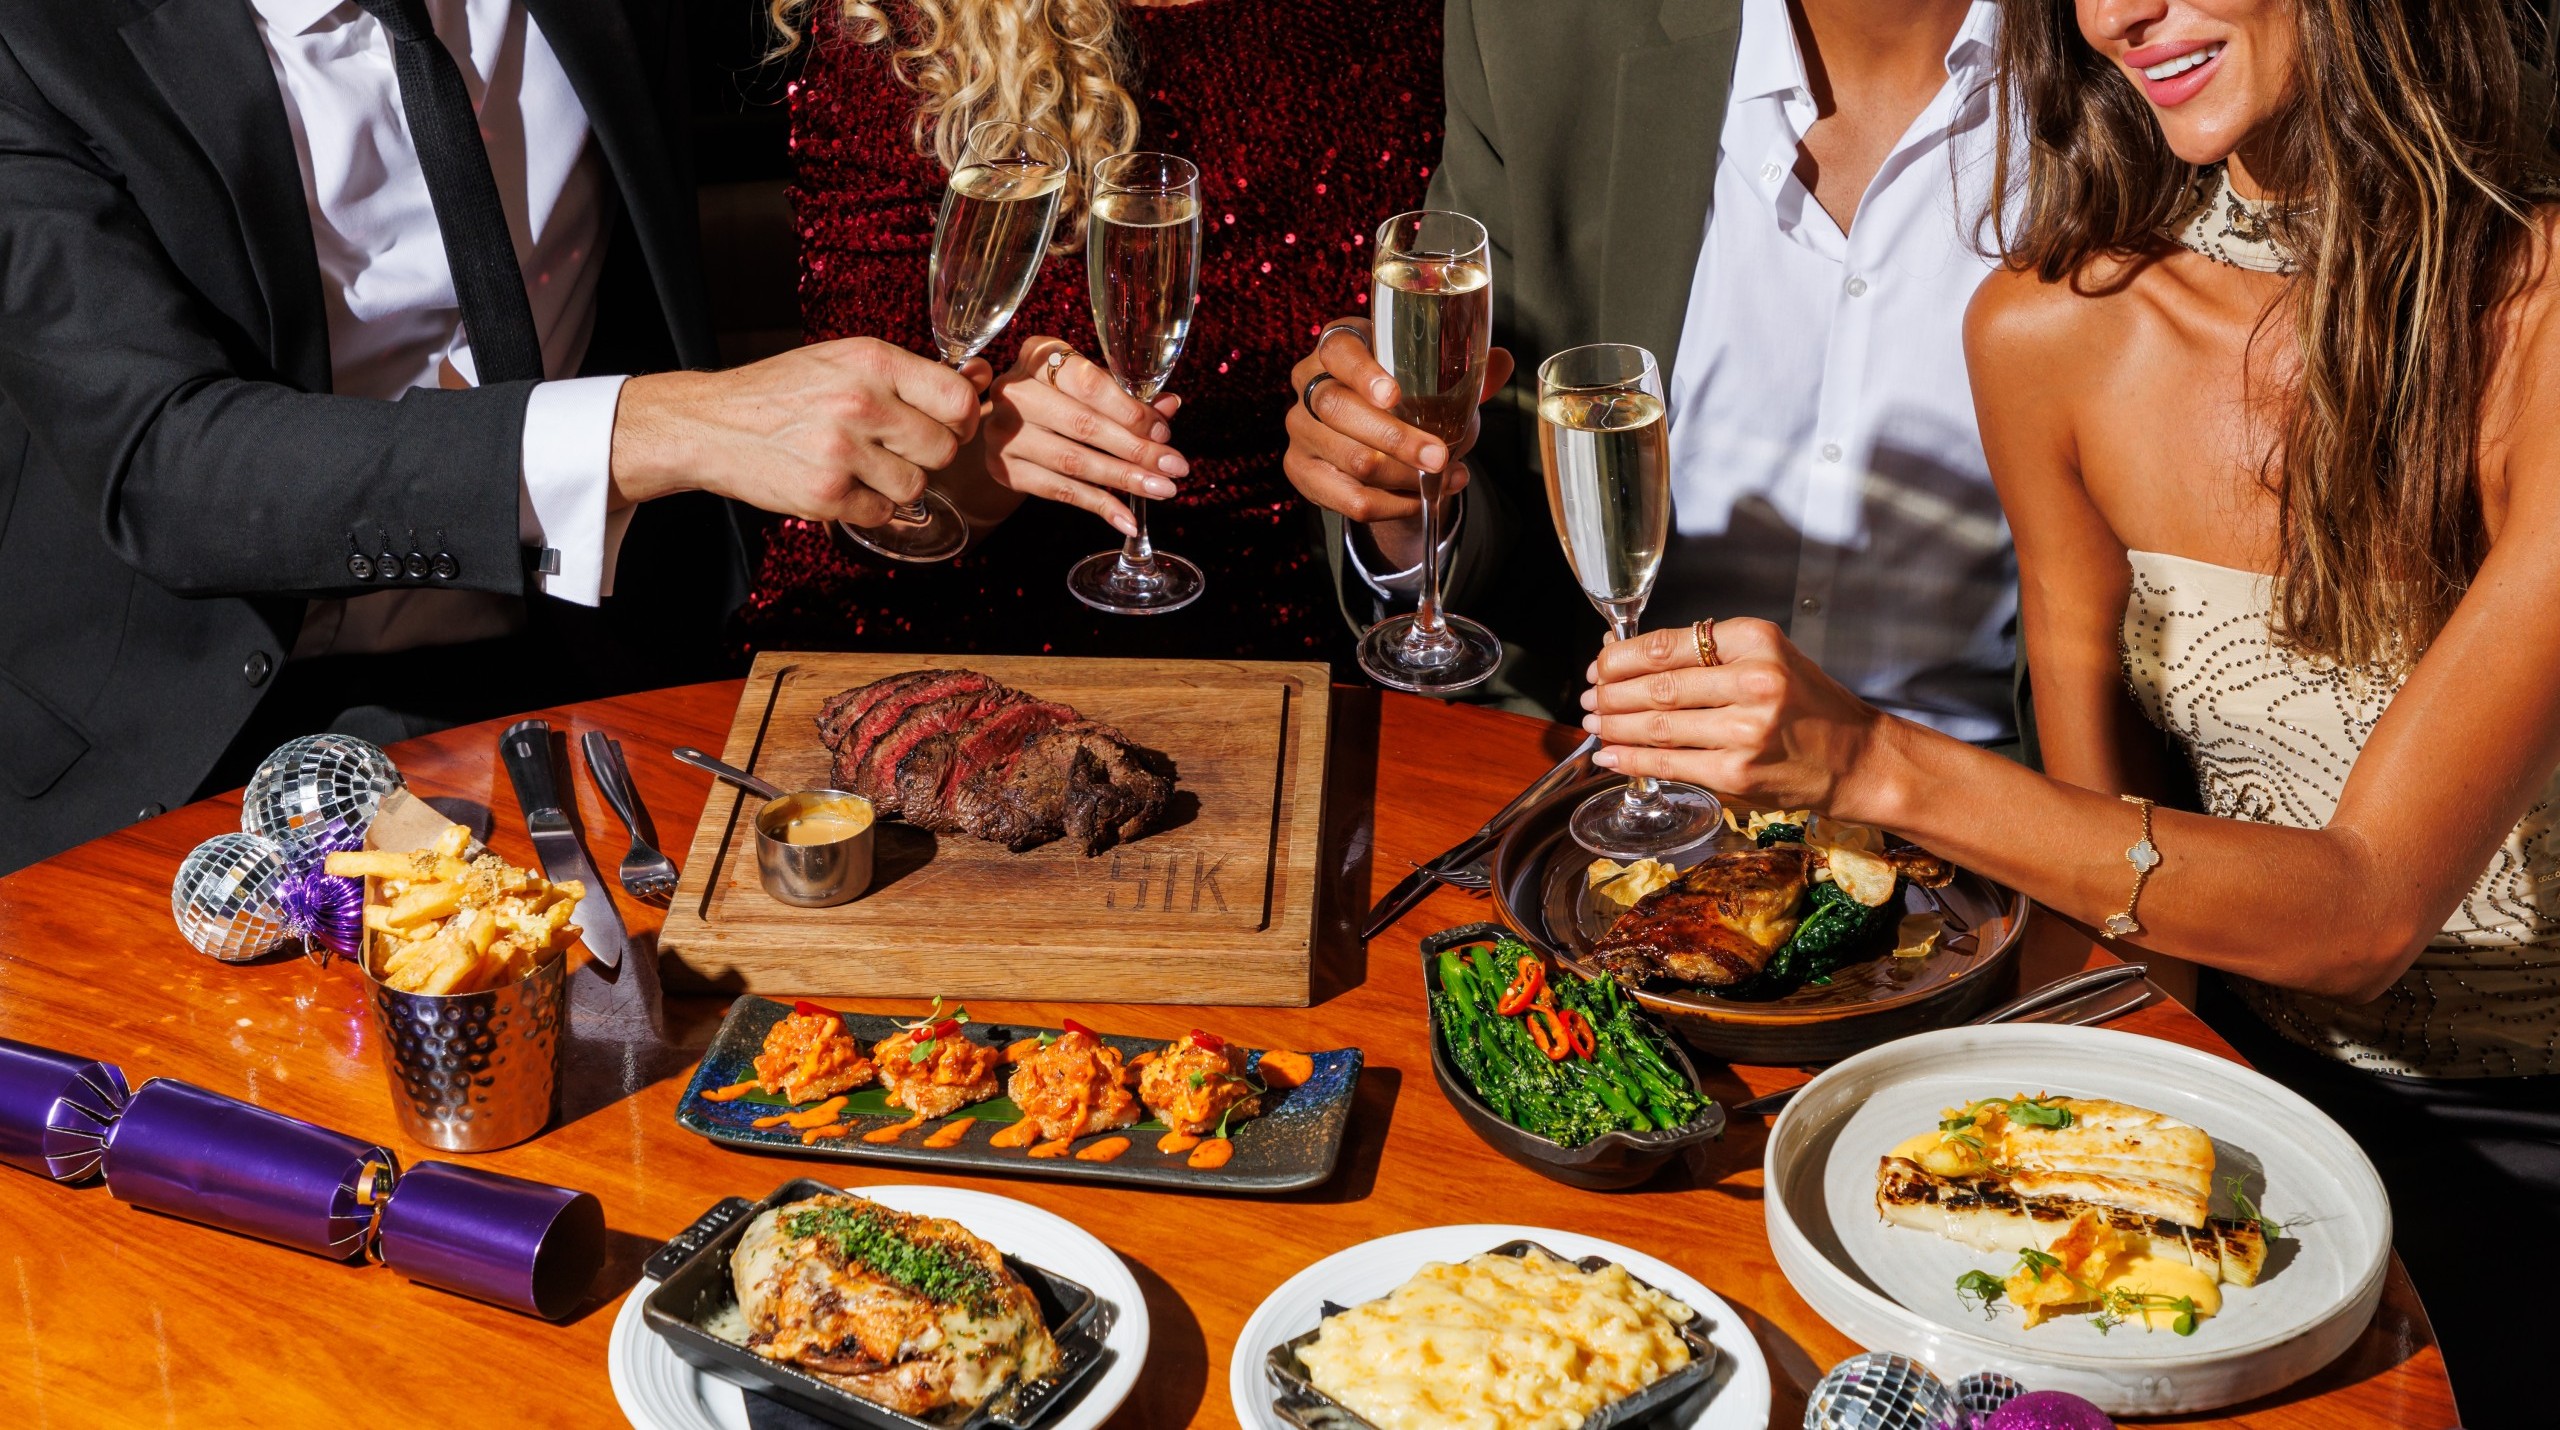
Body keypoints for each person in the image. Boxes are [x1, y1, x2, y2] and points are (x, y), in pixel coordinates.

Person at [1584, 1, 2560, 1416]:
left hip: (2521, 1128)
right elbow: (2112, 879)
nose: (2118, 13)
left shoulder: (2537, 317)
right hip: (2225, 1076)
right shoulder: (2053, 328)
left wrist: (1865, 757)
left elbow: (2367, 912)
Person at [0, 0, 990, 873]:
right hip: (181, 731)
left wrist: (958, 410)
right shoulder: (39, 33)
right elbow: (166, 471)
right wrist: (648, 427)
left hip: (589, 665)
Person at [1282, 0, 2022, 746]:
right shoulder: (1541, 29)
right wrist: (1412, 509)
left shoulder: (2128, 55)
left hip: (1979, 817)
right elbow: (1498, 487)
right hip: (1611, 787)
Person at [740, 0, 1443, 664]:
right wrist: (986, 451)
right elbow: (862, 498)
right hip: (946, 628)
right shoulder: (909, 26)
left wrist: (1379, 450)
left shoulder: (1405, 23)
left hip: (1295, 623)